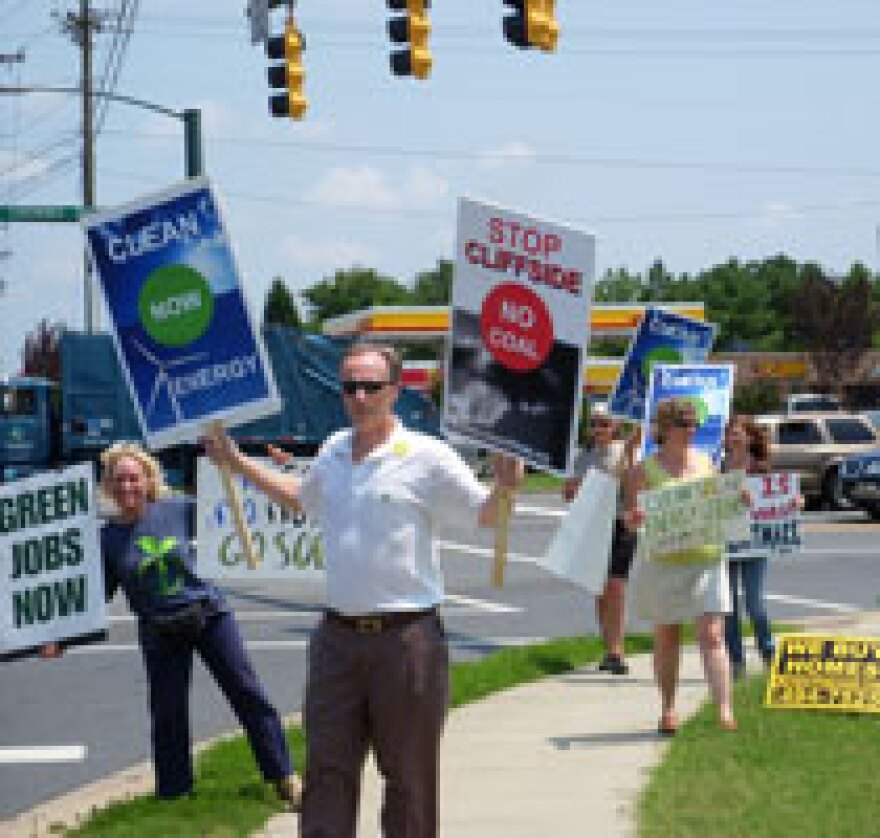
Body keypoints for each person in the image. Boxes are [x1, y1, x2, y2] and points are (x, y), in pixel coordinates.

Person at [203, 340, 523, 838]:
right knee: (327, 773)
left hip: (407, 640)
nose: (358, 396)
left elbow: (487, 516)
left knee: (409, 779)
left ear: (395, 391)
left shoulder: (428, 456)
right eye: (348, 386)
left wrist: (507, 487)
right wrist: (237, 463)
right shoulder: (332, 450)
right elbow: (299, 499)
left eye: (370, 387)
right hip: (336, 640)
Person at [43, 442, 301, 807]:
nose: (127, 487)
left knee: (248, 694)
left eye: (134, 478)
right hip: (159, 630)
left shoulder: (178, 508)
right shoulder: (108, 539)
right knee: (168, 715)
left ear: (148, 479)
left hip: (210, 616)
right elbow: (92, 599)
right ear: (108, 487)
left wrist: (278, 470)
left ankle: (285, 778)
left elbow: (233, 507)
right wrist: (59, 638)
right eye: (119, 480)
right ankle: (175, 794)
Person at [623, 397, 737, 734]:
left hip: (705, 557)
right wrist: (635, 518)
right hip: (664, 562)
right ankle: (668, 708)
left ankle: (725, 711)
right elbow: (630, 521)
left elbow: (722, 504)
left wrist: (738, 499)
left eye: (693, 423)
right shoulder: (643, 471)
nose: (692, 429)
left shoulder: (706, 463)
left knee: (713, 635)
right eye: (684, 424)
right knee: (667, 636)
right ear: (666, 429)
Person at [562, 404, 640, 675]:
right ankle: (609, 648)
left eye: (604, 424)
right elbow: (568, 492)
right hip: (593, 525)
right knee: (599, 590)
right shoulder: (584, 456)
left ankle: (617, 650)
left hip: (621, 524)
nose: (599, 429)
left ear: (614, 426)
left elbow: (636, 485)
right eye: (595, 423)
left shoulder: (626, 451)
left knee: (616, 586)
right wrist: (575, 488)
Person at [723, 414, 775, 679]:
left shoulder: (760, 467)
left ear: (750, 437)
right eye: (730, 432)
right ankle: (736, 664)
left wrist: (794, 502)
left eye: (738, 432)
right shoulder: (718, 468)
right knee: (729, 606)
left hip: (754, 543)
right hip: (727, 544)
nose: (733, 437)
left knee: (755, 603)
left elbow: (775, 499)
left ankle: (768, 654)